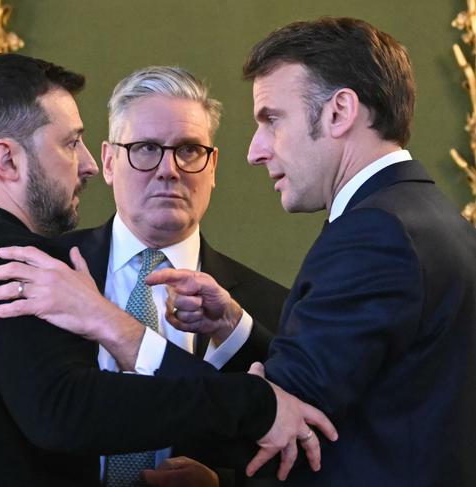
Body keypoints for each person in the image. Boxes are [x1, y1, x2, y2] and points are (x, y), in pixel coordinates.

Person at [0, 53, 335, 487]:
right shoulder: (27, 266)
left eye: (190, 151)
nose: (87, 164)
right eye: (71, 143)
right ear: (8, 159)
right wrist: (253, 403)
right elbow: (67, 408)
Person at [147, 17, 476, 486]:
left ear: (339, 112)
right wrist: (238, 331)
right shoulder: (434, 219)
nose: (255, 151)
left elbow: (275, 426)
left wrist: (114, 328)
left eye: (271, 120)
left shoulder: (374, 235)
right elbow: (347, 390)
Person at [8, 65, 289, 486]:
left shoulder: (267, 311)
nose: (169, 169)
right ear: (107, 161)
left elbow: (297, 451)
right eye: (145, 148)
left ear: (213, 168)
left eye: (190, 150)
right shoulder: (44, 271)